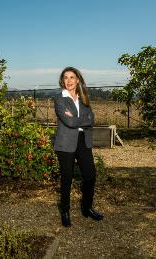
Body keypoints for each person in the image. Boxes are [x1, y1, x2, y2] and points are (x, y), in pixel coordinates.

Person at [54, 66, 103, 227]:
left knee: (90, 176)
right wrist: (82, 119)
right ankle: (65, 211)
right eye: (66, 77)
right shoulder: (60, 98)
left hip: (83, 140)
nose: (69, 81)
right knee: (67, 179)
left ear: (78, 80)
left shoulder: (84, 98)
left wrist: (77, 118)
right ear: (63, 80)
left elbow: (92, 119)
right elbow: (68, 121)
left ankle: (87, 207)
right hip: (65, 141)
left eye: (72, 77)